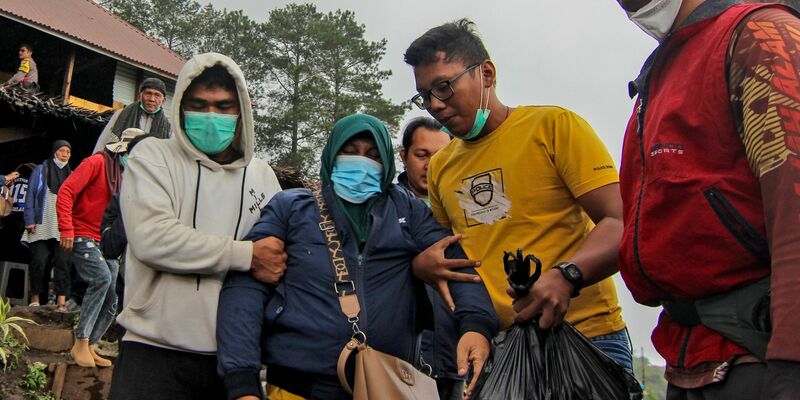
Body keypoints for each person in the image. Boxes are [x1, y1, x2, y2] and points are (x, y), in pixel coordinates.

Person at [405, 19, 633, 374]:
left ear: (487, 73)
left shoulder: (555, 127)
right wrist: (422, 266)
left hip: (587, 338)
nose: (434, 105)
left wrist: (566, 275)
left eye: (444, 87)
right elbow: (449, 254)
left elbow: (621, 221)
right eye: (425, 95)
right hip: (501, 355)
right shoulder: (441, 167)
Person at [216, 113, 498, 400]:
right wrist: (242, 382)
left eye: (373, 155)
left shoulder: (408, 210)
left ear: (387, 163)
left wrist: (476, 324)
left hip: (386, 386)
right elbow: (246, 288)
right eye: (350, 152)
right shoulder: (291, 208)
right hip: (297, 387)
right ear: (331, 154)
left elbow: (456, 263)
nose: (361, 162)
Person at [614, 1, 800, 399]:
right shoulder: (662, 69)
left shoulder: (758, 36)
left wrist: (791, 365)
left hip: (759, 356)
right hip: (688, 359)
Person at [108, 53, 284, 400]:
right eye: (199, 105)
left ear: (241, 112)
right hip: (152, 353)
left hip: (233, 362)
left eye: (223, 107)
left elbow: (278, 253)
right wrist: (246, 255)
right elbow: (153, 238)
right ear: (181, 107)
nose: (211, 116)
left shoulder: (263, 176)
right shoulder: (154, 158)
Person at [57, 128, 143, 368]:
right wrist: (66, 228)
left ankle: (92, 343)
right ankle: (80, 340)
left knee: (114, 295)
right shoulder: (96, 162)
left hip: (106, 241)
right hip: (83, 233)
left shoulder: (127, 175)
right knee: (102, 279)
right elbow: (66, 191)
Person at [396, 116, 465, 399]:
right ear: (403, 156)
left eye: (441, 156)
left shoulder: (465, 210)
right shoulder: (385, 208)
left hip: (455, 362)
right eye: (421, 155)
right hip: (398, 363)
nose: (431, 165)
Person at [22, 140, 73, 310]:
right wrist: (29, 219)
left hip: (62, 225)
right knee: (39, 261)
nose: (65, 154)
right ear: (54, 152)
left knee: (63, 262)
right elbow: (30, 195)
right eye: (62, 151)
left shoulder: (71, 174)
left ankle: (61, 301)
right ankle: (35, 298)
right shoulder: (41, 170)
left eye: (68, 152)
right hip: (42, 222)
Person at [92, 77, 171, 153]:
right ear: (140, 96)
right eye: (148, 93)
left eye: (157, 95)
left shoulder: (168, 126)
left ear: (163, 100)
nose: (152, 99)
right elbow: (103, 141)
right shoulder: (121, 114)